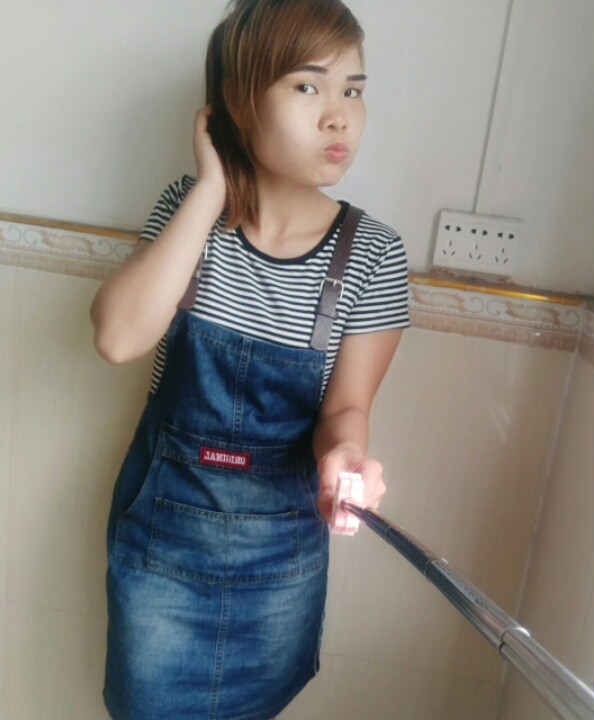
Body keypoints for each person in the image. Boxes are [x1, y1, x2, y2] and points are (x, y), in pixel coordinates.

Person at [89, 0, 409, 718]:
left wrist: (346, 457)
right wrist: (210, 190)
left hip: (280, 566)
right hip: (163, 550)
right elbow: (116, 338)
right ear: (240, 102)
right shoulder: (190, 211)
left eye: (354, 90)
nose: (339, 117)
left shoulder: (374, 256)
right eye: (308, 86)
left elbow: (346, 410)